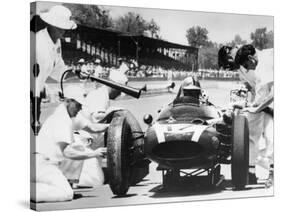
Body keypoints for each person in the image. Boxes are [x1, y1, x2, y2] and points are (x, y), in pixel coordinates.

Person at [31, 85, 108, 202]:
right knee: (66, 194)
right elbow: (68, 153)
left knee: (79, 147)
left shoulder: (70, 115)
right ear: (68, 101)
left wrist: (113, 126)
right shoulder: (62, 119)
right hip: (43, 165)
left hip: (45, 163)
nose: (80, 109)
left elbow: (93, 127)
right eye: (78, 105)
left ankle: (67, 183)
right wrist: (94, 153)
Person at [218, 44, 273, 184]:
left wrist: (259, 106)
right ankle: (251, 171)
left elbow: (272, 91)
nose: (230, 65)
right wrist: (248, 105)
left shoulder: (259, 61)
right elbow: (250, 88)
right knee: (250, 133)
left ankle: (273, 171)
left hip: (269, 101)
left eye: (229, 61)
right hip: (260, 101)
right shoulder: (241, 66)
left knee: (270, 135)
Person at [30, 5, 77, 135]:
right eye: (61, 27)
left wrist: (75, 74)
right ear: (52, 25)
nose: (64, 31)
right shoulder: (39, 43)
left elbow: (59, 68)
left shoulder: (56, 42)